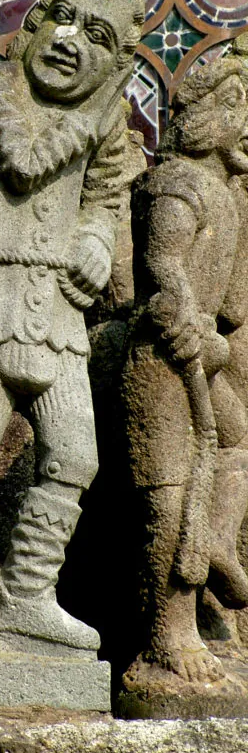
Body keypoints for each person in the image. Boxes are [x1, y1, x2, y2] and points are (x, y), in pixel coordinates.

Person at [0, 0, 145, 653]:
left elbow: (105, 200)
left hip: (55, 322)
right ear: (32, 27)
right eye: (62, 21)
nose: (70, 41)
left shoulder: (104, 129)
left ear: (115, 60)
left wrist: (93, 239)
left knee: (75, 457)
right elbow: (26, 162)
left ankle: (25, 593)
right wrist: (93, 115)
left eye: (96, 36)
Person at [122, 48, 248, 693]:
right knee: (171, 495)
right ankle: (166, 635)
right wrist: (184, 323)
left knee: (234, 448)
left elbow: (231, 303)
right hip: (160, 357)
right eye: (230, 106)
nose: (240, 120)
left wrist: (213, 340)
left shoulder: (226, 195)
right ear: (200, 116)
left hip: (200, 355)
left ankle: (215, 547)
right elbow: (163, 265)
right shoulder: (176, 183)